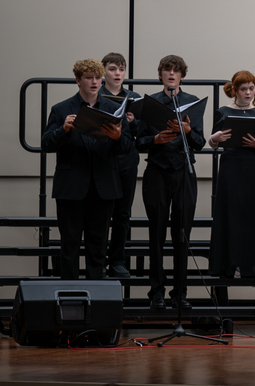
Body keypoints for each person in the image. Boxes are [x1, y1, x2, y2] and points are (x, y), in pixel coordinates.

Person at [41, 59, 130, 280]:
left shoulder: (113, 109)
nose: (94, 82)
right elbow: (46, 144)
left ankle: (96, 296)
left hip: (103, 187)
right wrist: (63, 130)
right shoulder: (61, 109)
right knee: (69, 245)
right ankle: (69, 295)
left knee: (98, 246)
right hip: (71, 186)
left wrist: (117, 137)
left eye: (98, 77)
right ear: (78, 80)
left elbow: (127, 147)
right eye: (89, 77)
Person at [136, 55, 205, 310]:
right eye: (167, 70)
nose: (172, 74)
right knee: (156, 234)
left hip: (184, 171)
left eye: (176, 70)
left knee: (182, 234)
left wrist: (188, 131)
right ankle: (156, 293)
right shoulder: (151, 103)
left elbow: (200, 142)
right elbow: (138, 142)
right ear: (161, 75)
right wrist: (155, 139)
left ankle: (180, 293)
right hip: (157, 171)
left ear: (182, 76)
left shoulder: (192, 103)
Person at [207, 71, 255, 279]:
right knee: (231, 212)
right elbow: (213, 142)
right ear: (235, 90)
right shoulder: (223, 112)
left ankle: (249, 267)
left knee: (253, 214)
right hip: (231, 165)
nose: (248, 92)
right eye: (243, 89)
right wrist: (215, 138)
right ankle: (228, 264)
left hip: (254, 166)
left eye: (251, 88)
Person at [98, 52, 141, 278]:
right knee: (101, 212)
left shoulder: (133, 97)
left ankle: (117, 260)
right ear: (103, 71)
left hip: (126, 159)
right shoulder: (97, 94)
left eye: (121, 69)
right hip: (104, 158)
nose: (118, 73)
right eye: (113, 69)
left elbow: (142, 132)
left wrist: (132, 123)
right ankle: (98, 259)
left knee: (123, 213)